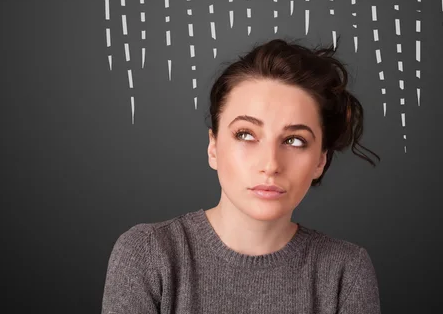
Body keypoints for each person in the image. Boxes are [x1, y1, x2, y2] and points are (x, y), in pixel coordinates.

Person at [101, 37, 382, 313]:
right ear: (213, 147)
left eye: (295, 140)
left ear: (321, 160)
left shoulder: (346, 272)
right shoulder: (148, 254)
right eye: (246, 134)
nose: (270, 164)